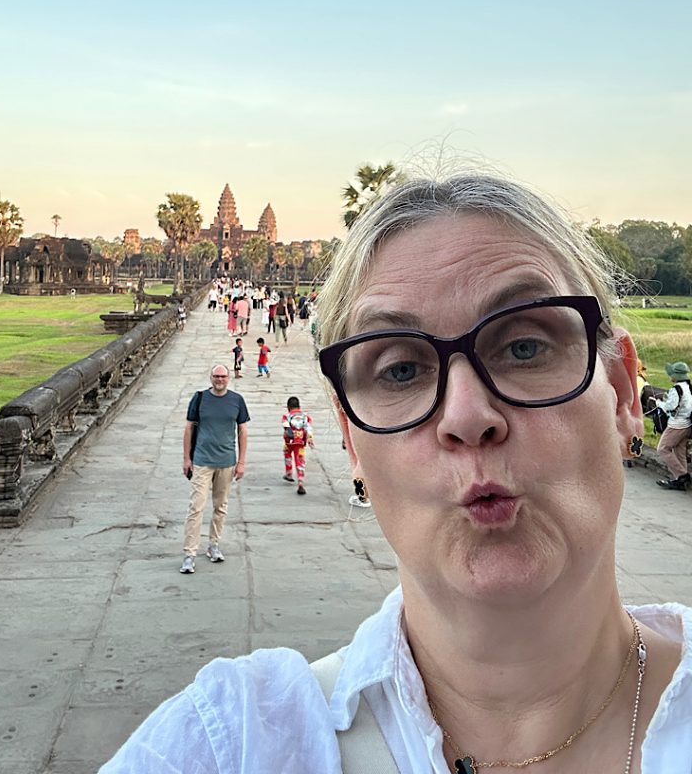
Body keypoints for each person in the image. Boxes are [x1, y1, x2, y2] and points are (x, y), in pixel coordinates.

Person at [101, 173, 692, 773]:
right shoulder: (233, 742)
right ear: (351, 440)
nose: (467, 416)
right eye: (401, 370)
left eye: (524, 347)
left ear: (622, 392)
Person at [180, 365, 249, 575]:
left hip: (226, 461)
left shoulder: (237, 400)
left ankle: (214, 544)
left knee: (221, 506)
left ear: (229, 378)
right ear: (210, 378)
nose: (220, 380)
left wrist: (241, 462)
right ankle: (190, 553)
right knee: (196, 507)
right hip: (202, 460)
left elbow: (243, 431)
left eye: (223, 376)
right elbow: (189, 428)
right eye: (216, 376)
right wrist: (186, 458)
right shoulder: (200, 398)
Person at [654, 361, 692, 491]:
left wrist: (659, 403)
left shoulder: (677, 389)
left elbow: (670, 407)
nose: (670, 376)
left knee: (662, 449)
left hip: (676, 425)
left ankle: (682, 476)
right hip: (687, 424)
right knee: (679, 451)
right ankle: (680, 481)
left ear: (676, 376)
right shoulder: (688, 387)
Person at [281, 395, 314, 495]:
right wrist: (310, 438)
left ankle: (289, 473)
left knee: (287, 454)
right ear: (299, 406)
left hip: (289, 442)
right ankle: (300, 481)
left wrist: (288, 430)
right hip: (300, 442)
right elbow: (308, 427)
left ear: (288, 407)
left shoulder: (286, 416)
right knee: (299, 460)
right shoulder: (305, 416)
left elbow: (285, 425)